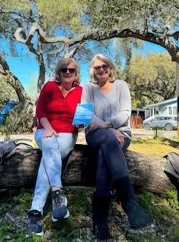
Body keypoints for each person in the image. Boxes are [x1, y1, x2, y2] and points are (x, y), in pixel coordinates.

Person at [81, 54, 152, 241]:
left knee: (105, 155)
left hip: (121, 134)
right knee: (107, 139)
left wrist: (107, 126)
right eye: (97, 68)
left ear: (110, 67)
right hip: (96, 134)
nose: (102, 69)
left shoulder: (121, 85)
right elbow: (87, 116)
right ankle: (129, 201)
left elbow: (125, 114)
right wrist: (108, 129)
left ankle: (100, 220)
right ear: (93, 71)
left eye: (105, 66)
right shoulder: (88, 88)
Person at [27, 57, 82, 236]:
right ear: (59, 72)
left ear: (76, 74)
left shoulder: (81, 91)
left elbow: (83, 115)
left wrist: (82, 124)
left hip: (67, 134)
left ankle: (35, 213)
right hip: (45, 129)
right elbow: (40, 111)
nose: (67, 72)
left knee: (47, 159)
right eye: (64, 69)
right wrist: (48, 128)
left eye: (71, 70)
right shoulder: (50, 86)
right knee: (50, 143)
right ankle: (57, 193)